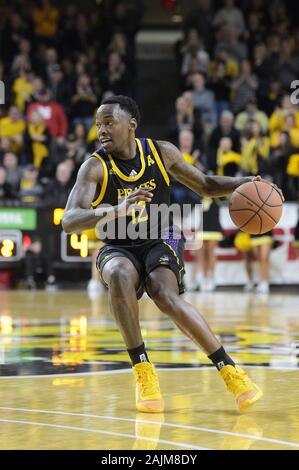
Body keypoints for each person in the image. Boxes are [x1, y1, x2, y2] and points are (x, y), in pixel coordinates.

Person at [62, 95, 264, 414]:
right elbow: (69, 220)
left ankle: (231, 372)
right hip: (118, 242)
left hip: (160, 234)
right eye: (98, 124)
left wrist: (247, 183)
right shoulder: (94, 166)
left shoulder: (162, 152)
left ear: (131, 125)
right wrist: (116, 209)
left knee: (163, 294)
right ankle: (143, 370)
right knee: (116, 275)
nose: (101, 129)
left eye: (109, 122)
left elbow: (207, 185)